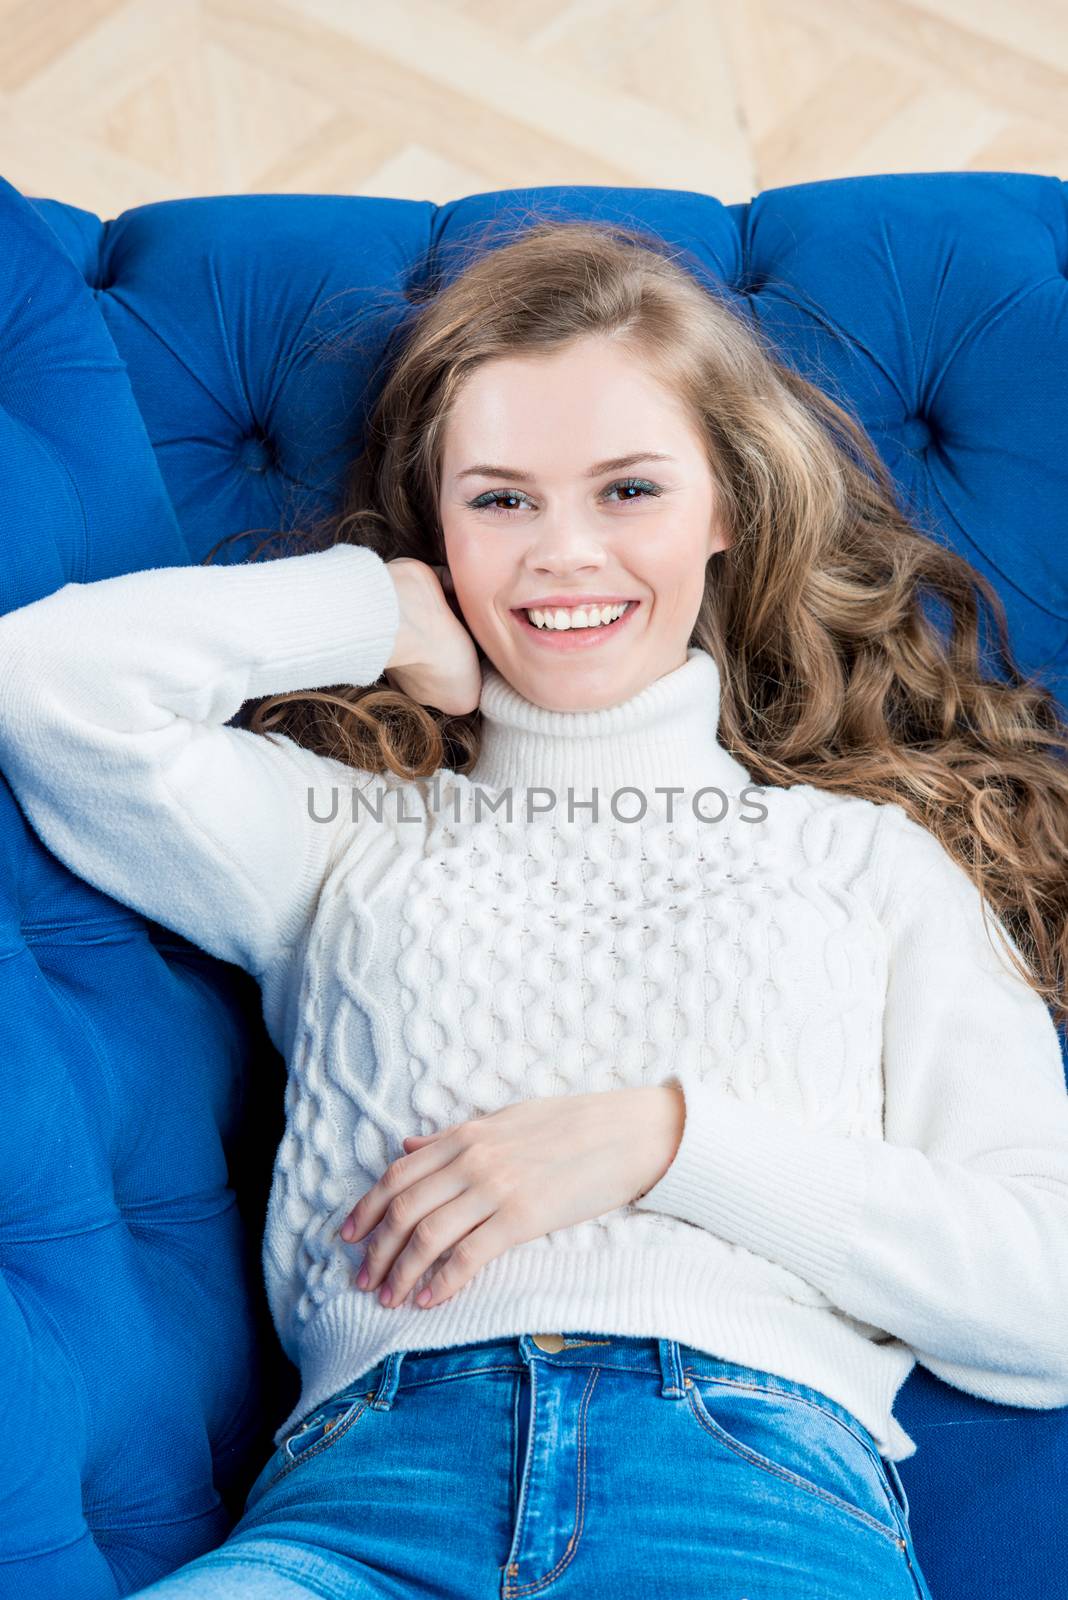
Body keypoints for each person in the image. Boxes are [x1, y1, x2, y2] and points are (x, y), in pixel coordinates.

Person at [0, 218, 1066, 1600]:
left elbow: (1044, 1295)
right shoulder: (340, 839)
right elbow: (48, 688)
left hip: (742, 1495)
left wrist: (667, 1142)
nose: (563, 554)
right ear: (438, 522)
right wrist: (368, 611)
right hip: (357, 1507)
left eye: (629, 490)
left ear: (725, 507)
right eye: (500, 500)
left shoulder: (867, 865)